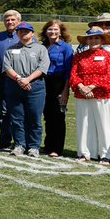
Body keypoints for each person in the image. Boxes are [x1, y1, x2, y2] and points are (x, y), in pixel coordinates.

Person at [67, 29, 110, 164]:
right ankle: (85, 152)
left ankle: (107, 154)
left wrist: (91, 87)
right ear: (86, 40)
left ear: (102, 40)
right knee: (84, 124)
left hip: (104, 95)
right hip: (83, 95)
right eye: (90, 38)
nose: (93, 41)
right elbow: (74, 75)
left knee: (106, 124)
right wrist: (82, 87)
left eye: (96, 38)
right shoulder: (79, 56)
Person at [1, 23, 50, 158]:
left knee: (34, 117)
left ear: (32, 33)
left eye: (26, 31)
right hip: (14, 85)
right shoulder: (11, 49)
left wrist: (28, 79)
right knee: (17, 118)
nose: (23, 33)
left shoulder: (40, 49)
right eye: (20, 31)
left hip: (35, 86)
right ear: (17, 34)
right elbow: (7, 67)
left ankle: (34, 146)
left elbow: (43, 67)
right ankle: (20, 144)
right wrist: (19, 79)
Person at [40, 20, 74, 157]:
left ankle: (56, 148)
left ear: (61, 32)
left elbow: (69, 71)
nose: (52, 32)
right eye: (50, 29)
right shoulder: (42, 47)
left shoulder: (66, 48)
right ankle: (48, 145)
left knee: (58, 116)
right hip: (43, 81)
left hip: (59, 83)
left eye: (55, 29)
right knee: (47, 116)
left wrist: (65, 91)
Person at [0, 10, 22, 149]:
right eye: (7, 20)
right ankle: (5, 140)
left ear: (18, 21)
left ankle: (20, 141)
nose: (10, 22)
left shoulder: (24, 35)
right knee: (3, 111)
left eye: (13, 19)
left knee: (18, 110)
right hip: (2, 78)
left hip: (19, 78)